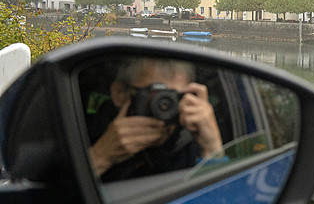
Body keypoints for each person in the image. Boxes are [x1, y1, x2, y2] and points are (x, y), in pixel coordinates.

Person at [87, 58, 223, 181]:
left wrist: (212, 148)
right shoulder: (80, 134)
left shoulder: (190, 145)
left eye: (173, 98)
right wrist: (100, 155)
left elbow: (218, 200)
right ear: (120, 94)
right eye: (155, 95)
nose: (164, 107)